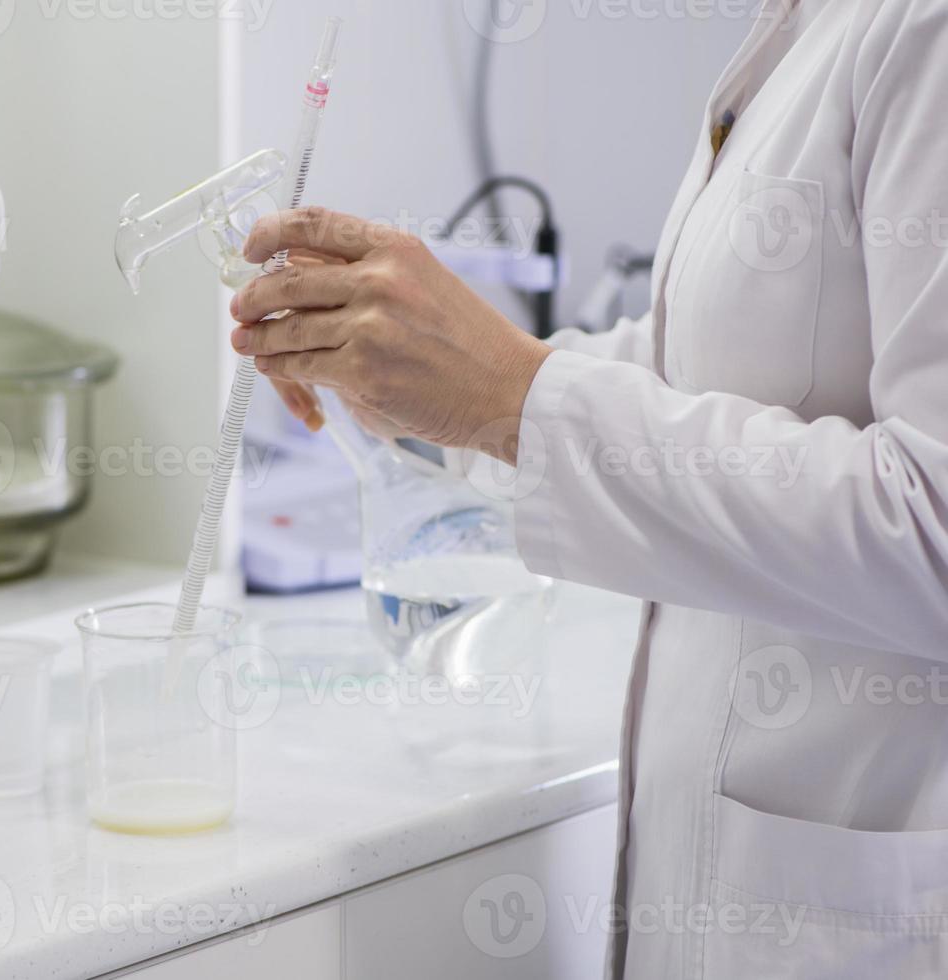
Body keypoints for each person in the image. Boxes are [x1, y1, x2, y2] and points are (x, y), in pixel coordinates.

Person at [229, 0, 948, 976]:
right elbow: (707, 371)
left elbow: (933, 522)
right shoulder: (807, 24)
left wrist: (510, 397)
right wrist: (413, 383)